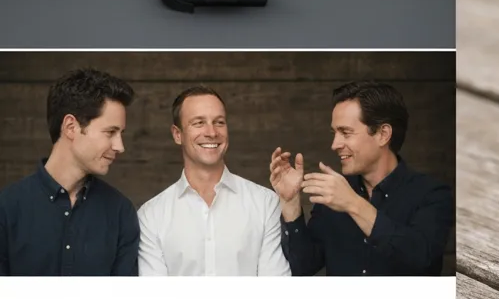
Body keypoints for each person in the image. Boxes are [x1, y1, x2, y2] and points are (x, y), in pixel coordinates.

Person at [270, 81, 454, 276]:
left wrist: (353, 204)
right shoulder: (334, 195)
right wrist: (290, 203)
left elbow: (421, 257)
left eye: (346, 133)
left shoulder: (432, 194)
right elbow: (303, 268)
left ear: (383, 134)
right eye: (335, 133)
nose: (335, 144)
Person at [137, 86, 290, 276]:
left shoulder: (265, 203)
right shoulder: (151, 216)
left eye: (219, 122)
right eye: (199, 123)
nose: (211, 132)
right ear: (178, 135)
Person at [0, 68, 139, 276]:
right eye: (110, 132)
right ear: (71, 127)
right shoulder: (6, 209)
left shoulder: (121, 213)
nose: (120, 146)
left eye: (121, 133)